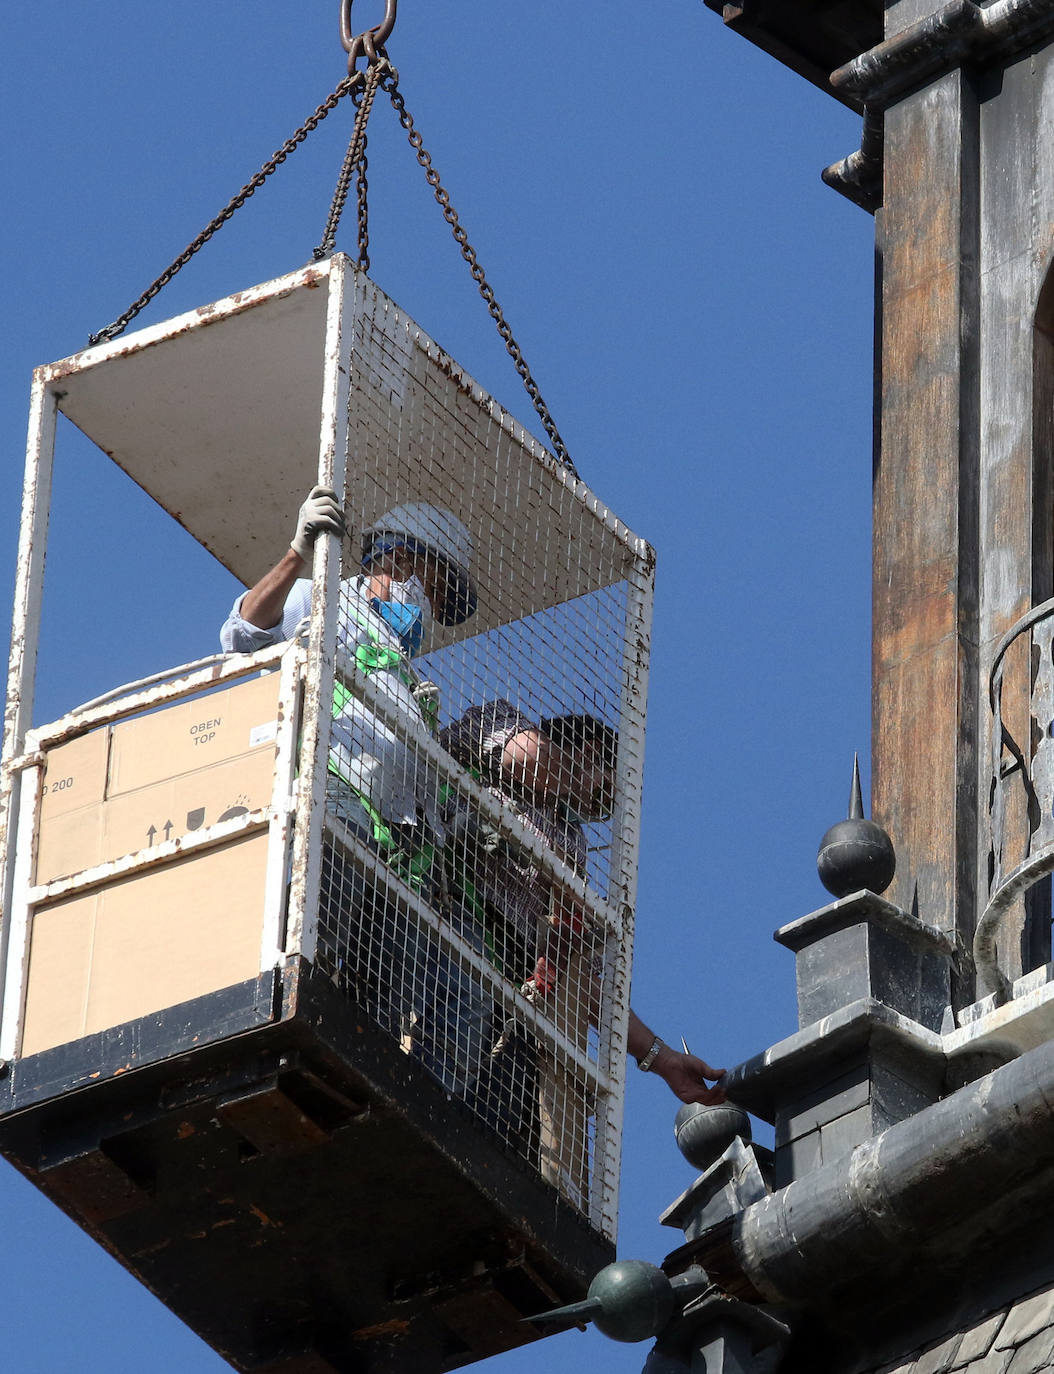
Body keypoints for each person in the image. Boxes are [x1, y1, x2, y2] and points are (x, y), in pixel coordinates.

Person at [220, 485, 479, 1068]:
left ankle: (353, 1069)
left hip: (392, 856)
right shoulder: (322, 599)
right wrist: (296, 553)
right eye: (433, 590)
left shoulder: (409, 683)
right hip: (333, 805)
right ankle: (282, 1036)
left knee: (382, 990)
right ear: (402, 559)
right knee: (315, 933)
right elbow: (241, 638)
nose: (431, 612)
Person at [439, 699, 725, 1202]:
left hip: (510, 971)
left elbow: (588, 981)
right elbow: (523, 758)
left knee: (505, 1104)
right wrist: (575, 774)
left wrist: (660, 1060)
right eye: (606, 784)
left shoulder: (568, 838)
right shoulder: (500, 722)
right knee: (447, 1063)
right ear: (592, 753)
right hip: (444, 913)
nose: (602, 801)